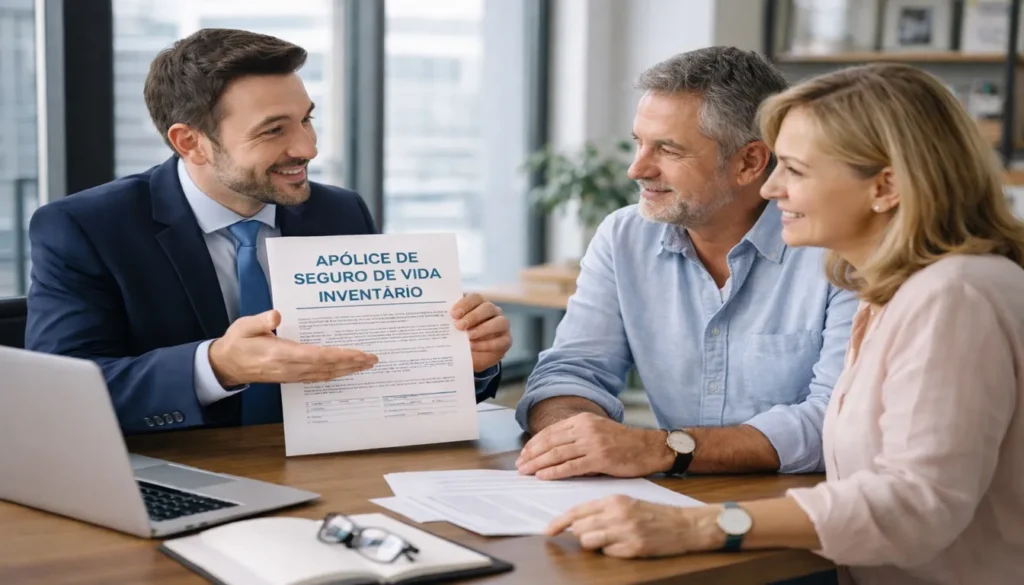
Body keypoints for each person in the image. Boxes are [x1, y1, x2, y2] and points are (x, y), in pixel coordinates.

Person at [544, 63, 1024, 584]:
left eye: (794, 169)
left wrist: (699, 525)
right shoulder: (893, 287)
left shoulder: (954, 295)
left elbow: (916, 501)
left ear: (884, 187)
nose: (772, 189)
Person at [24, 28, 511, 434]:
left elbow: (372, 370)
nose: (308, 148)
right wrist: (217, 366)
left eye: (306, 119)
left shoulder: (340, 213)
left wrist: (461, 360)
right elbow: (61, 396)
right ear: (190, 141)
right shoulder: (85, 228)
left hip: (332, 472)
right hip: (175, 477)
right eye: (274, 130)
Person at [514, 46, 858, 479]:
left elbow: (837, 418)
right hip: (671, 501)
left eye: (668, 150)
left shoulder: (839, 250)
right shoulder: (624, 236)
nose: (636, 169)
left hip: (801, 513)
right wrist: (574, 437)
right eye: (639, 143)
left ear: (749, 162)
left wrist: (665, 449)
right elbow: (572, 370)